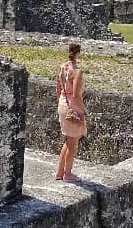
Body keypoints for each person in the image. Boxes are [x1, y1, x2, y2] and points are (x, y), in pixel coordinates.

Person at [56, 42, 88, 181]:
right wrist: (84, 110)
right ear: (79, 53)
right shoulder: (76, 71)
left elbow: (58, 88)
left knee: (68, 141)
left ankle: (60, 172)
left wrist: (62, 103)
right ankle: (68, 174)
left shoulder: (63, 67)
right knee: (73, 143)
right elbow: (76, 95)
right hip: (73, 106)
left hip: (63, 103)